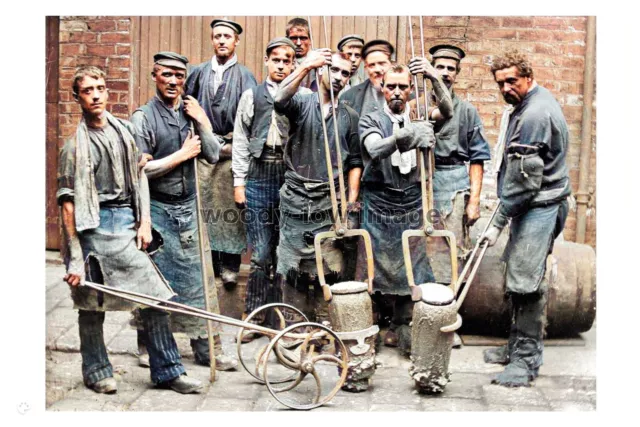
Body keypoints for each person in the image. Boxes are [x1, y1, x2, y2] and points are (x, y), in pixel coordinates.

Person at [58, 65, 203, 394]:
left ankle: (167, 370)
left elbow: (139, 174)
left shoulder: (123, 131)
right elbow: (68, 206)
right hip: (92, 228)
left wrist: (144, 222)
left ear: (108, 91)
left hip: (125, 223)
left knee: (154, 296)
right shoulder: (75, 147)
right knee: (92, 303)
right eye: (87, 90)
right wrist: (76, 259)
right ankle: (96, 370)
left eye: (100, 87)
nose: (95, 95)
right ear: (77, 97)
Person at [132, 52, 237, 371]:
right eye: (167, 74)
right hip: (158, 211)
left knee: (198, 283)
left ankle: (206, 349)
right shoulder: (143, 117)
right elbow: (140, 173)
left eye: (179, 75)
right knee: (156, 283)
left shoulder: (190, 112)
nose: (174, 81)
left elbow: (212, 154)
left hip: (189, 209)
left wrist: (203, 120)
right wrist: (180, 155)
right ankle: (148, 346)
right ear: (154, 76)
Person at [480, 50, 571, 387]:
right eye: (500, 82)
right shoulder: (530, 102)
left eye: (512, 81)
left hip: (540, 205)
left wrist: (497, 222)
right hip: (533, 202)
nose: (506, 88)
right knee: (519, 275)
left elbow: (523, 183)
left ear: (527, 78)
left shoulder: (535, 115)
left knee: (526, 283)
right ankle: (516, 346)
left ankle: (525, 362)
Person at [355, 64, 451, 352]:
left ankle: (402, 325)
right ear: (382, 88)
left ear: (410, 90)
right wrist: (408, 135)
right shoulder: (370, 118)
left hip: (411, 201)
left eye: (402, 87)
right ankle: (366, 329)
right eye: (391, 86)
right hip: (379, 201)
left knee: (413, 267)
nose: (396, 92)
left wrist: (433, 76)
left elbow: (446, 111)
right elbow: (374, 149)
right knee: (371, 267)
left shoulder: (419, 116)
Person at [409, 45, 491, 348]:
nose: (444, 72)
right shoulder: (415, 106)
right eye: (439, 66)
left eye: (450, 69)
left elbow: (478, 158)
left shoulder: (467, 111)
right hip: (420, 183)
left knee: (451, 254)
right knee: (418, 250)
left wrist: (473, 201)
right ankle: (418, 319)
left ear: (457, 73)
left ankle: (446, 321)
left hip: (454, 183)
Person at [273, 49, 363, 322]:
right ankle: (295, 326)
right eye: (333, 70)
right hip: (296, 198)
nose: (338, 77)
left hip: (330, 201)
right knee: (293, 267)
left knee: (330, 266)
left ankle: (326, 325)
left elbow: (356, 162)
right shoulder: (301, 101)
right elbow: (278, 99)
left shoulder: (349, 116)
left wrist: (350, 203)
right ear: (322, 70)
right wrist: (305, 66)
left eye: (345, 73)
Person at [231, 37, 309, 341]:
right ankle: (254, 318)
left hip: (290, 176)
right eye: (275, 59)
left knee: (285, 252)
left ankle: (281, 320)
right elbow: (240, 140)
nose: (281, 65)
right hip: (259, 173)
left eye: (287, 60)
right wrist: (240, 183)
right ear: (267, 62)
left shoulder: (302, 96)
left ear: (294, 64)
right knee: (261, 252)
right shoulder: (252, 95)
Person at [186, 18, 257, 288]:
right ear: (212, 40)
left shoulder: (245, 76)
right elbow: (188, 106)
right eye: (217, 36)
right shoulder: (199, 72)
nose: (222, 40)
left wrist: (235, 147)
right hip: (204, 152)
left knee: (230, 208)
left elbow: (252, 118)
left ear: (236, 40)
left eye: (227, 36)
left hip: (231, 151)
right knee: (205, 205)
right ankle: (211, 261)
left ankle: (230, 263)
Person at [340, 39, 394, 117]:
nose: (377, 69)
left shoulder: (407, 97)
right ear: (366, 68)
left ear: (391, 65)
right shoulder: (349, 97)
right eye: (372, 65)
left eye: (382, 63)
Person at [285, 17, 316, 92]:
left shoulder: (318, 60)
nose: (298, 43)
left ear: (310, 40)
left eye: (303, 38)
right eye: (294, 38)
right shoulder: (280, 60)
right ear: (287, 39)